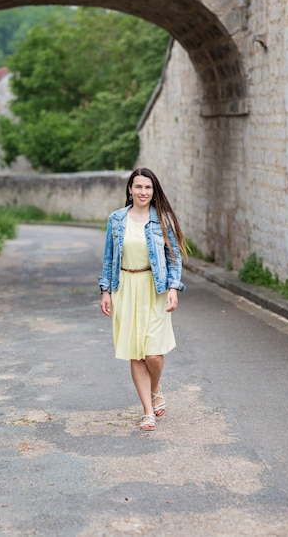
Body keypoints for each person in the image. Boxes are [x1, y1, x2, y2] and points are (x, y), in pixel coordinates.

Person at [99, 167, 187, 431]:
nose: (143, 192)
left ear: (153, 190)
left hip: (154, 288)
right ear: (130, 189)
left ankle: (155, 386)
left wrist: (173, 288)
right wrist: (105, 290)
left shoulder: (163, 219)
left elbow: (174, 258)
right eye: (138, 187)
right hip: (124, 288)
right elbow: (108, 258)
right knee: (135, 354)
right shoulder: (116, 220)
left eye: (148, 187)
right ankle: (148, 411)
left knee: (153, 355)